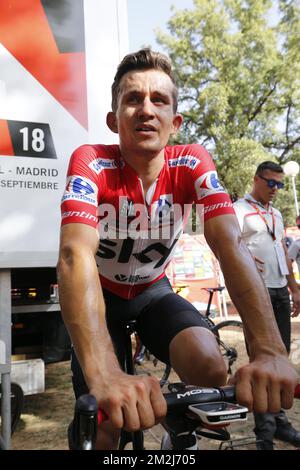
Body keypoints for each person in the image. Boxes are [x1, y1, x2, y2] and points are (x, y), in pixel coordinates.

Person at [57, 49, 298, 450]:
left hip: (153, 291)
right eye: (133, 99)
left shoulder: (191, 162)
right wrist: (104, 375)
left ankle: (177, 432)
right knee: (106, 426)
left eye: (159, 100)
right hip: (100, 297)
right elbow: (73, 255)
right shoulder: (91, 161)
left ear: (175, 121)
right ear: (113, 120)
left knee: (209, 364)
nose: (146, 109)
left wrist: (269, 350)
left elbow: (229, 242)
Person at [234, 161, 300, 450]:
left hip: (279, 291)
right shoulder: (239, 209)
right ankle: (265, 432)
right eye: (271, 182)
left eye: (280, 184)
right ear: (256, 179)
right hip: (255, 295)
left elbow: (282, 250)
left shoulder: (275, 213)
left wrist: (295, 288)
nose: (275, 189)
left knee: (280, 357)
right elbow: (227, 243)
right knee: (262, 359)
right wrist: (244, 259)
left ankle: (280, 422)